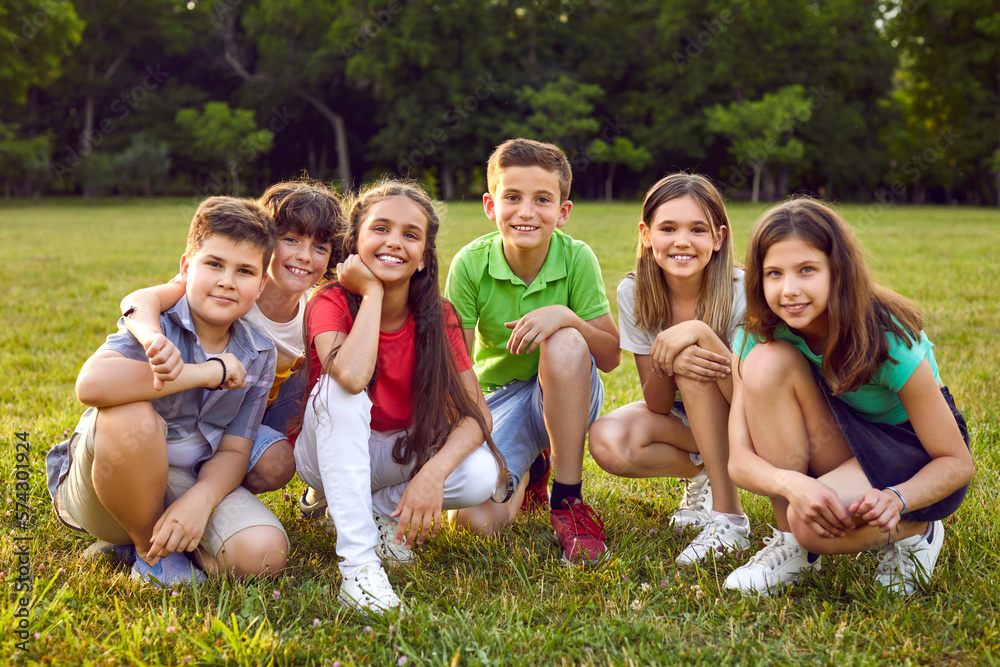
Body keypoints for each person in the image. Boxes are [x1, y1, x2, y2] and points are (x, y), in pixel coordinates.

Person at [725, 197, 974, 595]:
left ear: (837, 271)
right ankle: (792, 546)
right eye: (774, 273)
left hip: (911, 448)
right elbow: (739, 460)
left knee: (813, 527)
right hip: (844, 435)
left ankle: (918, 532)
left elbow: (957, 462)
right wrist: (793, 484)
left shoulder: (887, 339)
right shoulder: (757, 334)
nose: (789, 290)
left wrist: (898, 499)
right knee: (767, 363)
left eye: (807, 270)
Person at [45, 197, 289, 586]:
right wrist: (206, 373)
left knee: (266, 553)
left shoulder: (258, 351)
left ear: (260, 284)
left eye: (244, 271)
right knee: (132, 416)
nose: (227, 280)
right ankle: (148, 551)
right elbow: (91, 385)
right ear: (185, 267)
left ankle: (165, 537)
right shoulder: (156, 324)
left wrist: (202, 499)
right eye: (214, 264)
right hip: (103, 484)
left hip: (185, 479)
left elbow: (233, 448)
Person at [293, 180, 506, 613]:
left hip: (398, 454)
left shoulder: (440, 315)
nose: (394, 243)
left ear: (424, 257)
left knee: (480, 472)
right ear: (354, 243)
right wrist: (371, 294)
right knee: (343, 390)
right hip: (326, 453)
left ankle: (377, 511)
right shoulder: (330, 301)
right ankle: (358, 569)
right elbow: (351, 376)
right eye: (381, 229)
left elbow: (476, 414)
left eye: (411, 235)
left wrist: (432, 476)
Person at [444, 138, 621, 564]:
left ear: (562, 212)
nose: (526, 212)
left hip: (568, 391)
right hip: (499, 398)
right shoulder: (470, 264)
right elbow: (455, 363)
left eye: (542, 199)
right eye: (513, 198)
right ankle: (530, 470)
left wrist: (566, 316)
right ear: (491, 205)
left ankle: (567, 500)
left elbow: (613, 358)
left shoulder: (577, 257)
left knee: (563, 340)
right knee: (474, 523)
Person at [118, 180, 345, 495]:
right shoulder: (225, 289)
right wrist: (151, 336)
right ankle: (169, 485)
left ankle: (226, 493)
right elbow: (137, 301)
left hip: (252, 417)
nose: (305, 256)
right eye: (291, 239)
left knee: (332, 373)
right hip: (188, 407)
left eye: (320, 247)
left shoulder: (314, 310)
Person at [588, 173, 750, 565]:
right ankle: (701, 474)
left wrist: (694, 345)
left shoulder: (741, 290)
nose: (682, 241)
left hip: (747, 412)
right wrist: (672, 360)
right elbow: (658, 404)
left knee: (694, 366)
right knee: (608, 441)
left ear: (719, 237)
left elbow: (752, 400)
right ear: (646, 234)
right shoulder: (635, 293)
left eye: (697, 229)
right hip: (684, 415)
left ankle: (730, 519)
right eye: (668, 228)